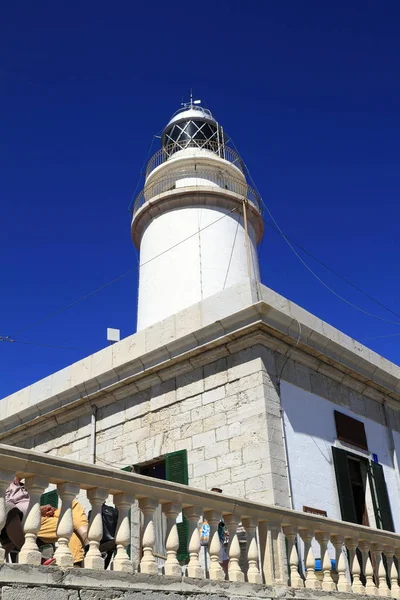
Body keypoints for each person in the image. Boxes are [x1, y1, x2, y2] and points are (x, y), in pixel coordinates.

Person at [1, 477, 88, 566]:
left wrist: (45, 509)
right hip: (29, 520)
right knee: (70, 527)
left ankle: (86, 538)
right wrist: (38, 509)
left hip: (40, 515)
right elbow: (8, 508)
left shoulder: (26, 486)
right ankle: (76, 563)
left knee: (73, 505)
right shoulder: (6, 482)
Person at [210, 487, 229, 576]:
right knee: (220, 559)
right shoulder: (210, 507)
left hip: (220, 537)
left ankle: (225, 575)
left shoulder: (219, 508)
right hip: (214, 537)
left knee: (224, 560)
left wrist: (224, 532)